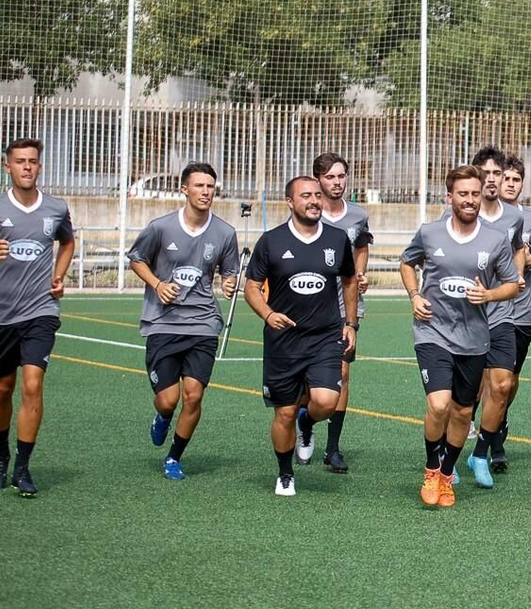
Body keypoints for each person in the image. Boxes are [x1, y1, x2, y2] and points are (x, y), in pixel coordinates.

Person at [400, 165, 520, 506]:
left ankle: (446, 474)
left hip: (474, 338)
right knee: (439, 404)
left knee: (462, 413)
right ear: (449, 196)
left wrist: (490, 296)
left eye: (475, 194)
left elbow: (512, 284)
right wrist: (414, 295)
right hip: (433, 332)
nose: (470, 200)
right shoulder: (429, 233)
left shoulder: (496, 240)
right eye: (463, 194)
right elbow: (407, 263)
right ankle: (429, 468)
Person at [0, 138, 75, 497]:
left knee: (32, 385)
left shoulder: (56, 208)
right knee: (2, 387)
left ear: (40, 167)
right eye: (20, 161)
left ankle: (23, 468)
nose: (27, 167)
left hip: (41, 310)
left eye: (33, 161)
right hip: (0, 314)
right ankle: (0, 455)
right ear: (7, 167)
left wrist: (59, 276)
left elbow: (68, 242)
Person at [243, 176, 358, 497]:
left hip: (324, 338)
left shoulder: (337, 240)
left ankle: (307, 425)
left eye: (317, 196)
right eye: (306, 195)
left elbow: (349, 280)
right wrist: (267, 314)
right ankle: (285, 473)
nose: (314, 201)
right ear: (290, 203)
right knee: (285, 412)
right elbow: (251, 287)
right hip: (284, 342)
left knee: (325, 401)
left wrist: (351, 323)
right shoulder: (271, 241)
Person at [126, 162, 241, 480]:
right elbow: (136, 259)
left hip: (203, 323)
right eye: (200, 186)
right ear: (184, 189)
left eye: (210, 187)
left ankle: (174, 457)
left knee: (193, 394)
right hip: (163, 323)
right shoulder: (161, 227)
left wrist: (229, 284)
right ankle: (162, 417)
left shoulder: (225, 233)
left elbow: (228, 272)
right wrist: (158, 284)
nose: (206, 192)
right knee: (168, 400)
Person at [462, 146, 527, 488]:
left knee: (501, 386)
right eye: (485, 173)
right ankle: (445, 455)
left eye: (496, 174)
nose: (491, 180)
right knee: (463, 396)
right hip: (463, 318)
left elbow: (518, 247)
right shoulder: (458, 211)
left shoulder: (513, 218)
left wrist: (514, 278)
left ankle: (480, 452)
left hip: (501, 313)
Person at [304, 152, 373, 473]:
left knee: (343, 374)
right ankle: (305, 421)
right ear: (318, 179)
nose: (337, 182)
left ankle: (332, 448)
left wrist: (359, 273)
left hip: (345, 306)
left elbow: (361, 246)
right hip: (309, 304)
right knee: (307, 379)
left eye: (341, 176)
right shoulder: (310, 212)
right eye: (330, 177)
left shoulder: (357, 215)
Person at [489, 153, 531, 472]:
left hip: (522, 311)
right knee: (485, 380)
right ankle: (488, 438)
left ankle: (497, 427)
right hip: (484, 309)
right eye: (505, 178)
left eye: (516, 180)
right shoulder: (481, 217)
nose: (510, 184)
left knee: (508, 382)